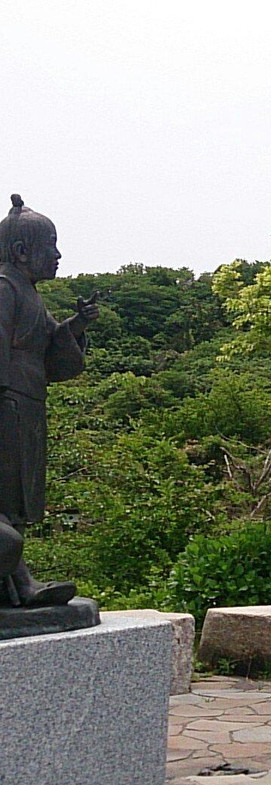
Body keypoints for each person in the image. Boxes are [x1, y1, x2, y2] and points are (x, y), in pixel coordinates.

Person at [0, 194, 99, 608]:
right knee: (7, 494)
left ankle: (19, 585)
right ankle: (22, 585)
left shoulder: (30, 293)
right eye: (50, 245)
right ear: (22, 251)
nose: (58, 255)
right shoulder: (5, 288)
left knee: (16, 496)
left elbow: (49, 347)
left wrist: (76, 324)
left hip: (27, 401)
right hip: (9, 402)